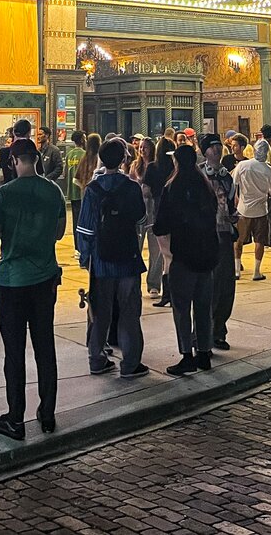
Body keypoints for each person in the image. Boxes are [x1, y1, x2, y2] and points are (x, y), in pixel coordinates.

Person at [0, 138, 66, 440]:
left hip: (13, 281)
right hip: (45, 278)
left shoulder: (3, 195)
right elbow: (58, 233)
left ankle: (15, 418)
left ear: (14, 161)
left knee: (14, 352)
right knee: (45, 347)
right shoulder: (53, 191)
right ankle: (47, 414)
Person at [77, 138, 148, 378]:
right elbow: (141, 219)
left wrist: (85, 256)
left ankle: (97, 358)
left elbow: (85, 228)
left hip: (101, 259)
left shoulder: (93, 190)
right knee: (129, 310)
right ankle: (130, 363)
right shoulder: (131, 187)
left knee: (100, 310)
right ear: (123, 159)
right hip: (128, 257)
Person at [154, 144, 219, 376]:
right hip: (207, 255)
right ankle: (204, 352)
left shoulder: (173, 187)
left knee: (182, 308)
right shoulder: (205, 186)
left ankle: (186, 355)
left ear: (177, 162)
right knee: (203, 307)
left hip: (183, 255)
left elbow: (161, 223)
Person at [200, 133, 236, 350]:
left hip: (224, 233)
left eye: (218, 146)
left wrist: (233, 216)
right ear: (204, 151)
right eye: (212, 147)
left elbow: (231, 200)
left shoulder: (226, 177)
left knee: (225, 284)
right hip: (206, 234)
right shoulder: (200, 175)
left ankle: (219, 329)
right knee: (208, 286)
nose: (217, 150)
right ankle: (203, 333)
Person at [232, 139, 271, 281]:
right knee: (259, 241)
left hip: (243, 209)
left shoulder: (243, 165)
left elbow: (233, 183)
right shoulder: (270, 170)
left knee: (238, 241)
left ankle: (236, 271)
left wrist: (236, 197)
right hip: (261, 210)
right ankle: (256, 272)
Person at [131, 136, 163, 297]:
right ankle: (133, 282)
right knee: (134, 246)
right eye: (141, 147)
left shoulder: (156, 167)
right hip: (136, 210)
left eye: (145, 147)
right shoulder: (134, 166)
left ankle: (154, 284)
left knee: (156, 249)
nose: (142, 150)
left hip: (152, 211)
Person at [149, 137, 176, 306]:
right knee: (171, 255)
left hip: (158, 212)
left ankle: (167, 294)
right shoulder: (175, 168)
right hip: (174, 213)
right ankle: (171, 293)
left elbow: (145, 190)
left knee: (166, 255)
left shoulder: (153, 167)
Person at [65, 131, 86, 252]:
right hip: (81, 192)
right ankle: (82, 247)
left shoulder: (69, 154)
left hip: (71, 192)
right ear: (82, 140)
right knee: (82, 220)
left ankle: (76, 247)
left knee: (74, 220)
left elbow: (65, 173)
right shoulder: (84, 154)